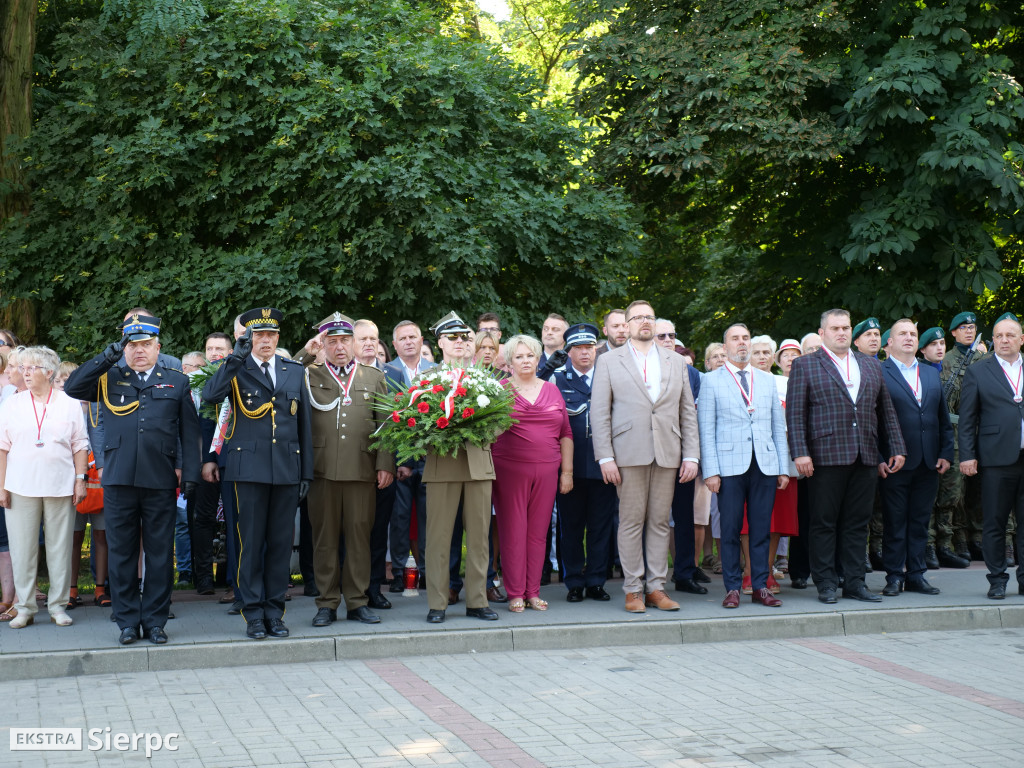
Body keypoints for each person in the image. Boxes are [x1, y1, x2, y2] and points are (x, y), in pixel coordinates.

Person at [64, 316, 201, 644]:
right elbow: (72, 387)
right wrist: (109, 354)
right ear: (124, 348)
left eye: (145, 345)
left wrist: (190, 474)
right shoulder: (109, 377)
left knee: (158, 554)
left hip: (160, 478)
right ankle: (127, 621)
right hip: (119, 478)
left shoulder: (176, 381)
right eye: (132, 345)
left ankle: (154, 621)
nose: (139, 351)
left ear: (158, 348)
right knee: (122, 552)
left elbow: (189, 430)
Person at [201, 307, 313, 640]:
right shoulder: (235, 367)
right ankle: (252, 614)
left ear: (278, 338)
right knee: (249, 545)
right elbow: (209, 395)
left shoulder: (293, 370)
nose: (265, 341)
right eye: (258, 335)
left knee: (280, 545)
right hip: (246, 470)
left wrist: (305, 471)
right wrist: (234, 359)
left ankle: (274, 612)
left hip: (285, 469)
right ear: (249, 338)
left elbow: (303, 423)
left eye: (270, 335)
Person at [786, 308, 906, 604]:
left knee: (857, 523)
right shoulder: (806, 365)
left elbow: (886, 411)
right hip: (825, 456)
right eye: (835, 328)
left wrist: (897, 447)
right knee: (823, 522)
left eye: (846, 328)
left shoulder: (870, 364)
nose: (842, 332)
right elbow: (795, 414)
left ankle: (855, 582)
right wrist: (800, 452)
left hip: (864, 454)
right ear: (823, 332)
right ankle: (825, 582)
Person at [590, 300, 701, 613]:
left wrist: (691, 455)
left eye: (649, 317)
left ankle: (656, 587)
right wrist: (605, 458)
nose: (645, 323)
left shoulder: (675, 361)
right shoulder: (610, 361)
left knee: (660, 522)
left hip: (668, 450)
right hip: (628, 453)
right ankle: (632, 589)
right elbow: (599, 413)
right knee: (630, 521)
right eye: (638, 318)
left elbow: (687, 412)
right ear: (626, 325)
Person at [297, 313, 395, 626]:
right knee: (324, 540)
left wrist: (385, 464)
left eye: (345, 340)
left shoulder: (372, 376)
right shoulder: (308, 374)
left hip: (362, 469)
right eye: (332, 341)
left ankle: (356, 602)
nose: (339, 347)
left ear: (354, 343)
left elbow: (387, 425)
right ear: (322, 343)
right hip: (321, 471)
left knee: (358, 539)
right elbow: (282, 376)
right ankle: (326, 603)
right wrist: (307, 352)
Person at [698, 325, 789, 609]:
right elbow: (706, 429)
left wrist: (782, 467)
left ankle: (760, 585)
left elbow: (777, 425)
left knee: (761, 528)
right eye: (735, 338)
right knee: (730, 529)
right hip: (728, 467)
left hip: (764, 464)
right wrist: (711, 471)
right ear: (724, 347)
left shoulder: (766, 380)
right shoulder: (711, 381)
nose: (741, 343)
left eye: (745, 338)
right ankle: (732, 588)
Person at [0, 346, 89, 629]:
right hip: (20, 486)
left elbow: (79, 445)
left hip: (60, 485)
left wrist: (80, 479)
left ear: (49, 373)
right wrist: (1, 486)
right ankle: (24, 607)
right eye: (22, 367)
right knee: (22, 549)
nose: (24, 373)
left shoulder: (69, 403)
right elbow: (2, 448)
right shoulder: (12, 404)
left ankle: (58, 606)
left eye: (31, 368)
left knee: (59, 548)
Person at [421, 311, 499, 624]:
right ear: (439, 342)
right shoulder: (426, 379)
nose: (460, 343)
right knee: (438, 537)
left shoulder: (485, 377)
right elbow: (417, 425)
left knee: (480, 537)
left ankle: (477, 600)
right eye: (452, 338)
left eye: (464, 337)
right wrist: (445, 429)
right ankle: (437, 603)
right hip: (443, 463)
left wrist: (478, 428)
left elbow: (499, 420)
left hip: (479, 463)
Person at [492, 335, 572, 612]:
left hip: (548, 470)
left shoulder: (553, 390)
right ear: (510, 361)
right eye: (519, 356)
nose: (526, 361)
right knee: (513, 530)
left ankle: (533, 591)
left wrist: (567, 472)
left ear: (538, 360)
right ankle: (515, 592)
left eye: (530, 356)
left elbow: (566, 433)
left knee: (539, 533)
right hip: (509, 470)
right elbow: (487, 435)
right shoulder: (499, 390)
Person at [878, 319, 953, 596]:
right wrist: (878, 456)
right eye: (902, 334)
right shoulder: (879, 371)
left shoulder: (930, 373)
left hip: (929, 461)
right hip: (895, 460)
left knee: (921, 520)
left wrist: (946, 452)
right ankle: (895, 575)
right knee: (895, 520)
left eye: (913, 334)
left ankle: (917, 575)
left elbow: (941, 417)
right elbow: (871, 420)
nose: (909, 338)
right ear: (890, 341)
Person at [958, 313, 1024, 599]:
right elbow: (967, 419)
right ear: (993, 340)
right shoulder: (979, 371)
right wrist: (967, 456)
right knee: (995, 522)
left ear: (1021, 339)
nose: (1004, 340)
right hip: (996, 458)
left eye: (1010, 335)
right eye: (998, 336)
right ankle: (997, 579)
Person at [553, 324, 614, 603]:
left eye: (589, 347)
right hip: (571, 467)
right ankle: (574, 581)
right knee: (572, 527)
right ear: (568, 351)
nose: (585, 352)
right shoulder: (556, 379)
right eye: (578, 348)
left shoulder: (609, 376)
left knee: (601, 526)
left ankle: (597, 581)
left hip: (604, 465)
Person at [384, 320, 431, 595]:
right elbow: (385, 420)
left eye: (413, 337)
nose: (409, 342)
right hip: (400, 458)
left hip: (429, 457)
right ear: (394, 344)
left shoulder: (435, 372)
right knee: (399, 519)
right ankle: (400, 572)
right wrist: (399, 460)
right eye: (403, 338)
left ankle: (426, 572)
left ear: (422, 339)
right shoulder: (385, 372)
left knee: (428, 519)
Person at [940, 311, 986, 562]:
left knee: (979, 490)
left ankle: (976, 537)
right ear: (954, 332)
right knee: (956, 490)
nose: (969, 331)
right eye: (963, 327)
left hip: (984, 432)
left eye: (972, 327)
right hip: (958, 431)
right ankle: (957, 540)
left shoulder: (985, 359)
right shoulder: (948, 361)